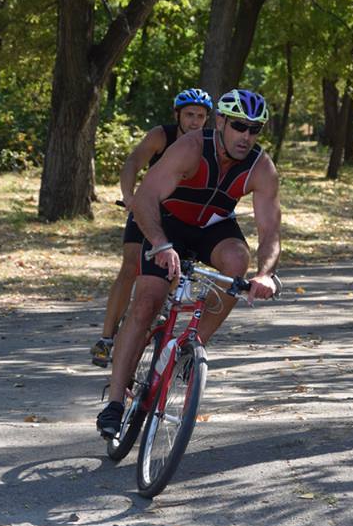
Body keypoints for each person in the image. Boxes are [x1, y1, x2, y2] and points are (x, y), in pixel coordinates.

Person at [96, 89, 281, 436]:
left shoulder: (260, 167)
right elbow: (147, 197)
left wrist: (266, 274)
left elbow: (270, 228)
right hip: (165, 222)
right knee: (147, 301)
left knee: (237, 260)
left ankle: (191, 349)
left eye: (255, 129)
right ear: (222, 122)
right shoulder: (192, 147)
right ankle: (116, 401)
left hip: (212, 225)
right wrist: (161, 244)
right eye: (240, 126)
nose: (246, 136)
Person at [90, 88, 213, 367]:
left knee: (173, 268)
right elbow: (133, 162)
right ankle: (107, 338)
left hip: (179, 216)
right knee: (132, 263)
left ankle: (157, 315)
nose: (195, 121)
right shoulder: (162, 135)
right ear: (177, 114)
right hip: (148, 209)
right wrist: (130, 196)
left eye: (201, 116)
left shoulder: (208, 143)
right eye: (190, 114)